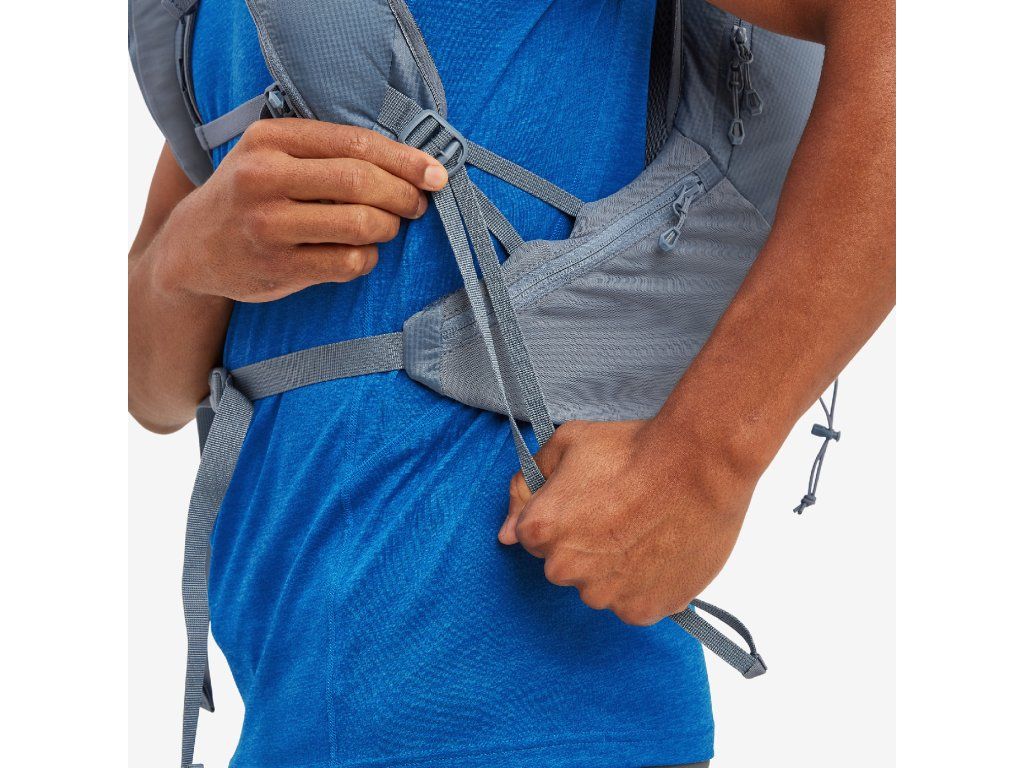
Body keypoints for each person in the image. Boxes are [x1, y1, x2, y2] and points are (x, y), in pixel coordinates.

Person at [127, 0, 894, 765]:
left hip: (539, 711)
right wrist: (182, 261)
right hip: (288, 713)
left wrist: (703, 464)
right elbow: (150, 392)